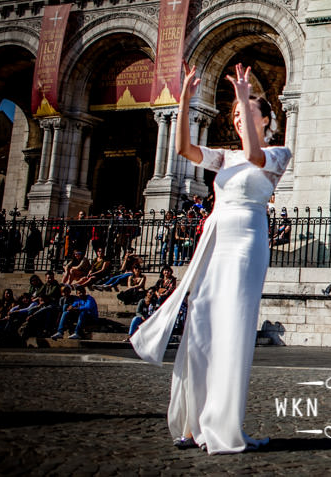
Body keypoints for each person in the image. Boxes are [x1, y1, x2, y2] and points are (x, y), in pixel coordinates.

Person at [131, 61, 291, 454]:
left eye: (246, 112)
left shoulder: (278, 152)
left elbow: (254, 156)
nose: (238, 119)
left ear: (267, 119)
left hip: (246, 245)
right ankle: (194, 422)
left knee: (233, 332)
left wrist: (243, 92)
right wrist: (185, 99)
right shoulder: (223, 157)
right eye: (235, 114)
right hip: (215, 242)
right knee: (200, 328)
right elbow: (184, 148)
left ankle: (224, 427)